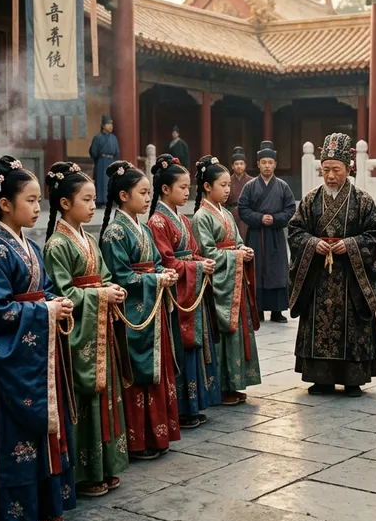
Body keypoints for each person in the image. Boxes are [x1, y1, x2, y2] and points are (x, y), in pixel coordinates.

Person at [0, 156, 76, 521]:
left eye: (40, 199)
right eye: (30, 200)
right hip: (4, 363)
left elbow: (46, 288)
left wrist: (58, 303)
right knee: (10, 435)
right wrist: (45, 310)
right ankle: (13, 515)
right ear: (5, 204)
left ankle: (44, 503)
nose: (38, 207)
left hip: (35, 354)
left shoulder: (30, 246)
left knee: (42, 430)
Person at [42, 161, 131, 498]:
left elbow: (105, 276)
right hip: (77, 335)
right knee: (83, 398)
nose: (94, 206)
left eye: (95, 200)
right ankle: (85, 472)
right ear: (65, 203)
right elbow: (62, 293)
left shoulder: (89, 240)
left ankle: (106, 466)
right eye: (87, 200)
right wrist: (101, 295)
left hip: (101, 328)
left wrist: (113, 291)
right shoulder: (57, 245)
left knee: (105, 395)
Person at [288, 133, 376, 397]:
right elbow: (295, 230)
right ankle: (320, 378)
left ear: (349, 168)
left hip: (350, 279)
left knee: (352, 324)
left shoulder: (362, 200)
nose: (330, 176)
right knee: (318, 324)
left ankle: (353, 379)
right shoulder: (310, 199)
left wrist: (351, 245)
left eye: (336, 170)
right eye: (326, 170)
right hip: (318, 277)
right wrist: (312, 244)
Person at [99, 161, 180, 460]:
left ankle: (158, 435)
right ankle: (137, 440)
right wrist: (157, 278)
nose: (148, 198)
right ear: (123, 196)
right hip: (133, 313)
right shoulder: (113, 234)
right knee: (136, 372)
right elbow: (120, 277)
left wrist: (164, 274)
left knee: (157, 370)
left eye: (149, 193)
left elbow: (156, 262)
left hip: (152, 306)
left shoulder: (143, 229)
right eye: (143, 193)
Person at [148, 154, 221, 428]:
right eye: (182, 187)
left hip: (191, 290)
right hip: (176, 296)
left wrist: (202, 261)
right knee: (180, 347)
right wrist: (197, 267)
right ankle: (181, 408)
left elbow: (191, 252)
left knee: (194, 348)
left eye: (189, 187)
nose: (187, 192)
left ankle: (194, 405)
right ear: (165, 189)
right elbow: (167, 261)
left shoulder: (183, 218)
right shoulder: (157, 222)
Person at [191, 155, 261, 405]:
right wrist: (236, 255)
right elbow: (207, 252)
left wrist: (245, 251)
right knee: (224, 332)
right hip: (220, 285)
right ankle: (222, 385)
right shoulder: (202, 216)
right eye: (222, 185)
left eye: (228, 185)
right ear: (207, 187)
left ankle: (237, 381)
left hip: (235, 280)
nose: (227, 189)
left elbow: (237, 242)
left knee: (238, 331)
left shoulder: (227, 213)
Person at [238, 141, 296, 323]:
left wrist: (276, 219)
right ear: (258, 164)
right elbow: (243, 209)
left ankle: (277, 311)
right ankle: (259, 310)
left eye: (270, 162)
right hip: (256, 234)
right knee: (256, 270)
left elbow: (290, 209)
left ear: (275, 164)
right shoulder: (249, 187)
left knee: (277, 270)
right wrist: (259, 218)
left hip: (276, 235)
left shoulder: (283, 186)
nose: (267, 166)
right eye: (264, 162)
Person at [89, 116, 120, 205]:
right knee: (101, 181)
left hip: (112, 161)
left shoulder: (114, 138)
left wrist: (116, 164)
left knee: (111, 181)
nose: (111, 126)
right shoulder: (98, 138)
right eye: (108, 124)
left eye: (111, 124)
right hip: (101, 161)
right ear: (103, 125)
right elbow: (94, 152)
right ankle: (101, 200)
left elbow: (117, 152)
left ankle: (111, 200)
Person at [227, 146, 253, 241]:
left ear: (245, 165)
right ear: (232, 166)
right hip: (231, 214)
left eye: (241, 164)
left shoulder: (251, 181)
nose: (239, 166)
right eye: (236, 164)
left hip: (247, 214)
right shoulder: (227, 180)